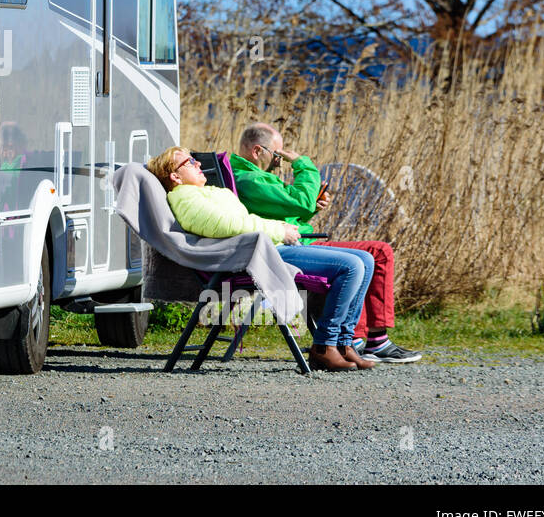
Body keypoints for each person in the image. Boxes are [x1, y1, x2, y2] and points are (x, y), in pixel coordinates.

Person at [146, 146, 377, 371]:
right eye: (189, 162)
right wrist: (279, 230)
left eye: (195, 159)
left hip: (265, 248)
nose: (198, 163)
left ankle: (344, 343)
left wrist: (282, 227)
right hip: (259, 255)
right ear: (175, 176)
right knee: (352, 266)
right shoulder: (185, 198)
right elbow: (229, 226)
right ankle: (325, 345)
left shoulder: (207, 193)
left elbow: (244, 221)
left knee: (366, 260)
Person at [230, 122, 422, 363]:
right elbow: (298, 202)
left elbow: (287, 214)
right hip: (284, 248)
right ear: (258, 151)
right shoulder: (250, 180)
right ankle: (351, 341)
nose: (280, 161)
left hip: (295, 242)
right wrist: (303, 165)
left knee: (378, 252)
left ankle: (374, 340)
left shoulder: (258, 177)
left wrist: (312, 208)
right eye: (277, 155)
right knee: (357, 262)